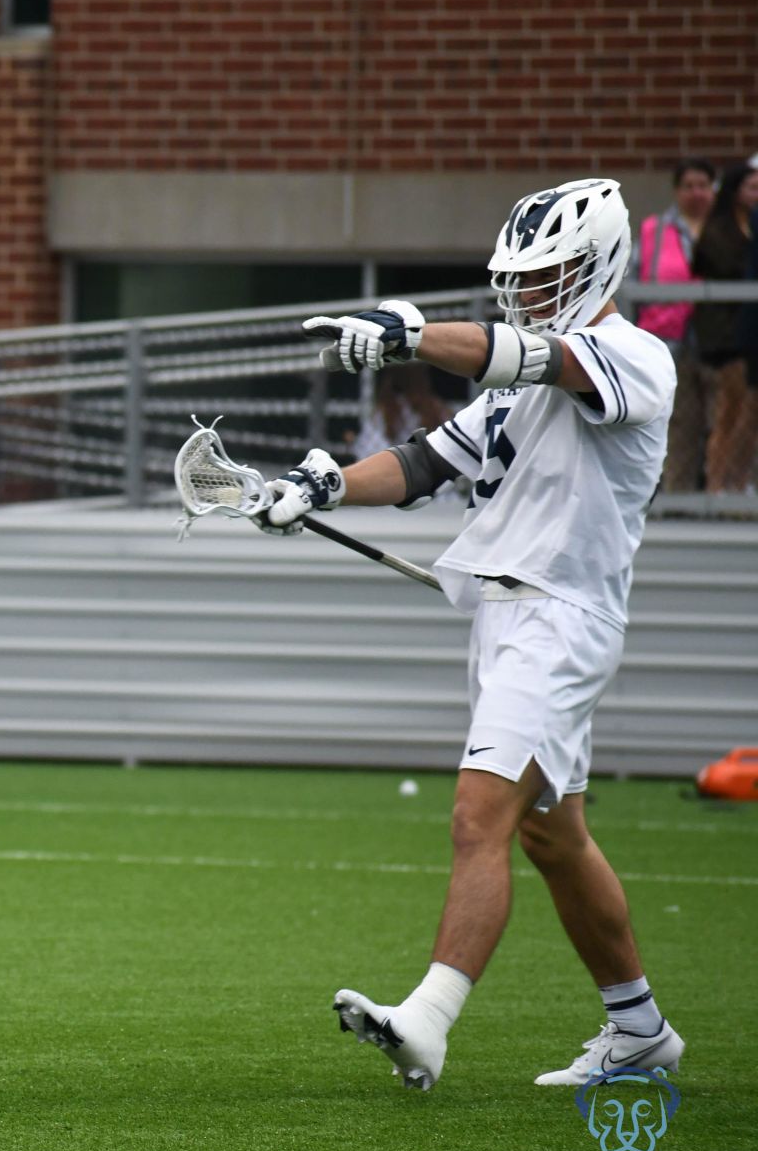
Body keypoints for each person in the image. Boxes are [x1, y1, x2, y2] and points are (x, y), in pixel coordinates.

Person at [272, 178, 682, 1091]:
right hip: (505, 618)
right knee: (553, 838)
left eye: (552, 275)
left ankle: (428, 1019)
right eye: (523, 278)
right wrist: (322, 487)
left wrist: (410, 337)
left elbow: (534, 358)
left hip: (561, 619)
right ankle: (640, 1030)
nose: (532, 292)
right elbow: (424, 463)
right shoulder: (515, 380)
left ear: (600, 266)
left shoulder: (635, 357)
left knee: (477, 815)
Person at [634, 159, 716, 492]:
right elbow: (635, 278)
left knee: (723, 417)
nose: (696, 193)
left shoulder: (730, 226)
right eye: (688, 186)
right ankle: (677, 495)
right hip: (667, 338)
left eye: (703, 186)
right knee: (678, 419)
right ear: (676, 191)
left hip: (717, 337)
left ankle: (725, 495)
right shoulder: (654, 229)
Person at [692, 160, 758, 493]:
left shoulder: (753, 226)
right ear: (735, 192)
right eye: (752, 188)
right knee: (729, 411)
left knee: (751, 414)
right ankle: (716, 488)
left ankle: (738, 483)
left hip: (750, 336)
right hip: (728, 337)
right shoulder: (719, 230)